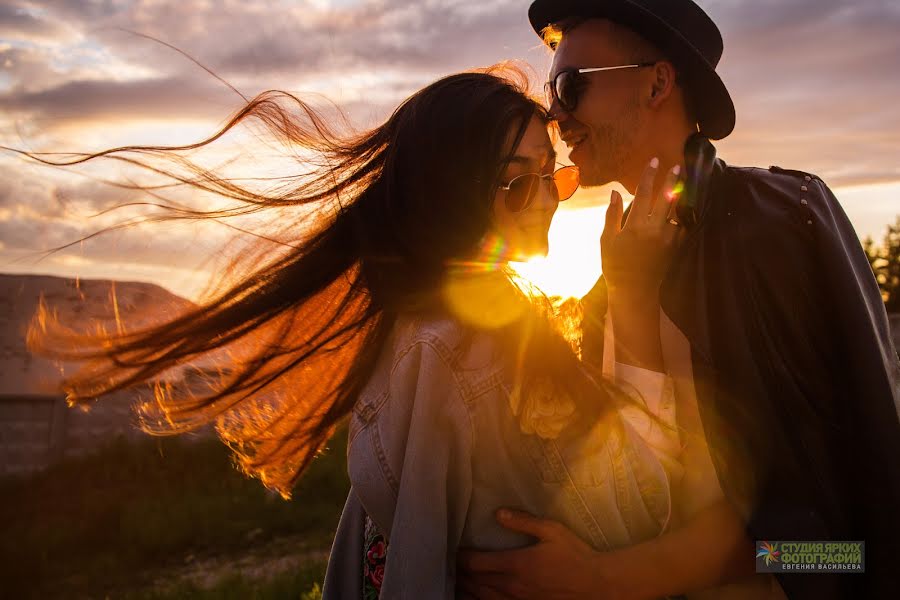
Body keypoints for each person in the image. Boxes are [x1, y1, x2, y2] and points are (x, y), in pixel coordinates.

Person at [20, 65, 689, 598]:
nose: (548, 201)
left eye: (554, 176)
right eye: (519, 185)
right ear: (449, 195)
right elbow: (640, 510)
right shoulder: (473, 349)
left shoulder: (413, 323)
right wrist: (633, 298)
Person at [458, 1, 900, 599]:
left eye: (570, 86)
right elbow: (631, 495)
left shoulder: (781, 222)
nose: (557, 115)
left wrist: (608, 580)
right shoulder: (604, 286)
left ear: (658, 82)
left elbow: (836, 541)